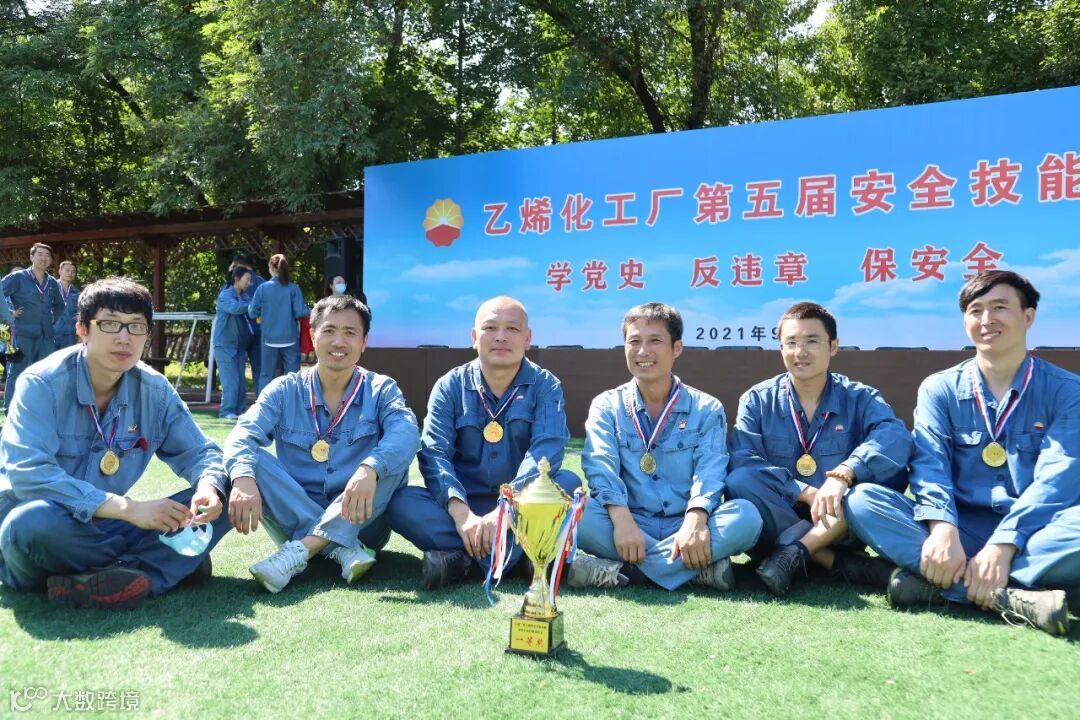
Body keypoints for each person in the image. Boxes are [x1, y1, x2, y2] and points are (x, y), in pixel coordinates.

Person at [845, 271, 1078, 636]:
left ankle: (944, 588)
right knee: (861, 501)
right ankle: (1013, 596)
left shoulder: (1068, 391)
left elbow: (1058, 480)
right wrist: (941, 528)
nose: (987, 320)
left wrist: (1004, 544)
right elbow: (929, 465)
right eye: (976, 310)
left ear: (1028, 316)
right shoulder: (939, 388)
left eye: (999, 308)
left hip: (1036, 534)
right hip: (960, 531)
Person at [0, 277, 230, 610]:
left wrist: (208, 488)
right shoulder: (41, 384)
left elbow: (201, 452)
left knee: (237, 483)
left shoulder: (154, 390)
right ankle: (162, 562)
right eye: (109, 324)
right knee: (32, 523)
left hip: (106, 527)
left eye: (136, 326)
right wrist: (130, 510)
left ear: (147, 335)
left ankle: (116, 574)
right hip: (44, 529)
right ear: (82, 329)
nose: (124, 338)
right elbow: (29, 475)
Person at [224, 295, 419, 593]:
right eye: (329, 330)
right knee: (252, 461)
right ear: (312, 335)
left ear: (364, 342)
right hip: (292, 519)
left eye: (350, 332)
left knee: (393, 462)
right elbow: (243, 434)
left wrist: (370, 468)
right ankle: (341, 547)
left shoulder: (381, 389)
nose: (339, 341)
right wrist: (242, 478)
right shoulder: (284, 389)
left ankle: (302, 551)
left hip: (364, 523)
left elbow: (407, 433)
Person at [386, 296, 581, 590]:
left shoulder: (546, 385)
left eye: (512, 329)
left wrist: (505, 509)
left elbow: (546, 450)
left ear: (527, 339)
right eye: (490, 328)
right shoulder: (450, 386)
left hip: (521, 507)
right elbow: (435, 453)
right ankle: (519, 558)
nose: (501, 336)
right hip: (460, 508)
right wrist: (461, 513)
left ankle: (462, 562)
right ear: (474, 337)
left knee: (568, 485)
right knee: (400, 501)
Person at [572, 302, 763, 592]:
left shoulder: (707, 408)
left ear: (677, 348)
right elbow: (601, 467)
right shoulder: (606, 405)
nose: (642, 351)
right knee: (572, 513)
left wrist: (696, 521)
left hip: (686, 523)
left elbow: (710, 472)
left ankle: (626, 573)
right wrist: (622, 521)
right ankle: (695, 570)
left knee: (746, 517)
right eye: (634, 341)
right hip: (627, 523)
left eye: (655, 341)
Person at [726, 302, 912, 596]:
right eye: (791, 342)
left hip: (840, 520)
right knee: (740, 479)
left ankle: (795, 553)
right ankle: (832, 561)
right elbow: (743, 459)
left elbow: (895, 437)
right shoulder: (757, 400)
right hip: (781, 514)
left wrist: (844, 474)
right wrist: (804, 492)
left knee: (888, 471)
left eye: (812, 341)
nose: (800, 352)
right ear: (781, 348)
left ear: (833, 346)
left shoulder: (860, 397)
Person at [2, 244, 65, 412]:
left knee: (43, 374)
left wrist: (54, 318)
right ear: (31, 257)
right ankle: (10, 410)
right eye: (40, 254)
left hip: (46, 337)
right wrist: (9, 313)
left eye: (47, 255)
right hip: (22, 335)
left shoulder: (52, 282)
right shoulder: (17, 278)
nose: (44, 258)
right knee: (17, 372)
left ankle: (37, 411)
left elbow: (60, 305)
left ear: (51, 260)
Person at [249, 254, 309, 395]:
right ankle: (294, 404)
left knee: (266, 375)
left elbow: (252, 312)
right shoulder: (293, 288)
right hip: (290, 337)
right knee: (294, 376)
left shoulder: (262, 288)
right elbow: (301, 312)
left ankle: (263, 405)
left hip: (269, 338)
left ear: (271, 267)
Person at [212, 267, 253, 419]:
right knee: (231, 381)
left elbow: (252, 311)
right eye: (247, 279)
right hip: (224, 344)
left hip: (239, 345)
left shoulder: (245, 297)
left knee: (241, 381)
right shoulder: (225, 295)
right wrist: (254, 304)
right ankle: (226, 412)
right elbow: (235, 308)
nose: (249, 283)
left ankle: (240, 411)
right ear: (236, 279)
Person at [229, 254, 265, 388]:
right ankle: (262, 400)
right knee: (260, 374)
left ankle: (240, 402)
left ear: (240, 266)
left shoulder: (234, 283)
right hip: (259, 331)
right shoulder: (263, 283)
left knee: (237, 374)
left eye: (234, 267)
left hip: (239, 332)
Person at [54, 260, 80, 350]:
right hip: (51, 333)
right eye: (67, 270)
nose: (70, 273)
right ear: (60, 271)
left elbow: (79, 314)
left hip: (70, 335)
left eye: (73, 272)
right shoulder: (50, 288)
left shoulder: (77, 293)